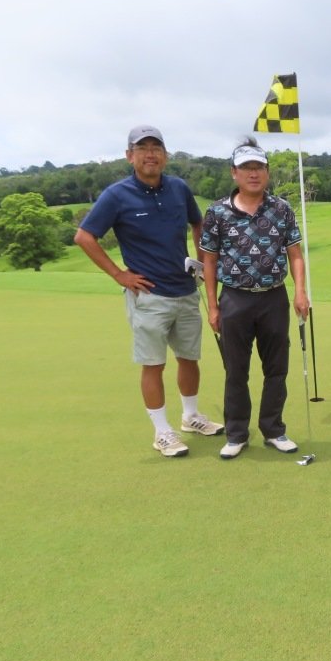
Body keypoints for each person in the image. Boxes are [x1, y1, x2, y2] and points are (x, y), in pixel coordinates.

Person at [74, 125, 222, 458]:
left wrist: (200, 260)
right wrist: (119, 275)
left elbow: (198, 223)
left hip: (185, 290)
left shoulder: (179, 189)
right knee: (154, 364)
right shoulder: (117, 195)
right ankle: (162, 432)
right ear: (130, 156)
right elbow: (84, 237)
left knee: (189, 358)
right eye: (142, 148)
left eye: (156, 147)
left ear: (166, 155)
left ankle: (191, 416)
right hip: (148, 295)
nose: (150, 154)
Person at [200, 138, 309, 460]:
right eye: (246, 168)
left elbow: (296, 255)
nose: (253, 174)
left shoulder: (281, 209)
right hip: (235, 298)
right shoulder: (217, 212)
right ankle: (236, 433)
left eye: (259, 167)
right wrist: (213, 305)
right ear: (234, 172)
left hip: (273, 298)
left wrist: (300, 292)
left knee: (276, 369)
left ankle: (274, 429)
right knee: (236, 370)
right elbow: (208, 260)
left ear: (267, 172)